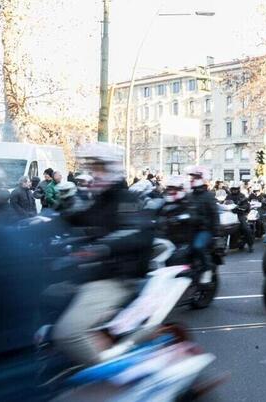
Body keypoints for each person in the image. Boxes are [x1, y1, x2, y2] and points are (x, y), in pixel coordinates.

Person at [52, 143, 153, 366]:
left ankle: (115, 378)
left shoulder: (127, 199)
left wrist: (103, 247)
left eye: (98, 167)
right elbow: (78, 220)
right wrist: (43, 224)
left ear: (112, 168)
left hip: (117, 278)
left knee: (68, 332)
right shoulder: (99, 201)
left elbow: (135, 232)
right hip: (93, 274)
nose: (93, 173)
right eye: (91, 168)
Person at [185, 165, 219, 267]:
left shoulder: (208, 195)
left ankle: (207, 269)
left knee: (198, 246)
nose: (191, 179)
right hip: (190, 229)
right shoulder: (189, 195)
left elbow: (214, 214)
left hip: (204, 230)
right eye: (191, 177)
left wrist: (215, 234)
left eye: (195, 177)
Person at [227, 180, 254, 252]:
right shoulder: (228, 196)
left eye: (235, 189)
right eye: (233, 189)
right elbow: (224, 203)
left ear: (238, 189)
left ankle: (250, 245)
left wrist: (242, 207)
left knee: (246, 229)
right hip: (229, 215)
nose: (234, 190)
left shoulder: (242, 196)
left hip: (239, 215)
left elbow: (246, 204)